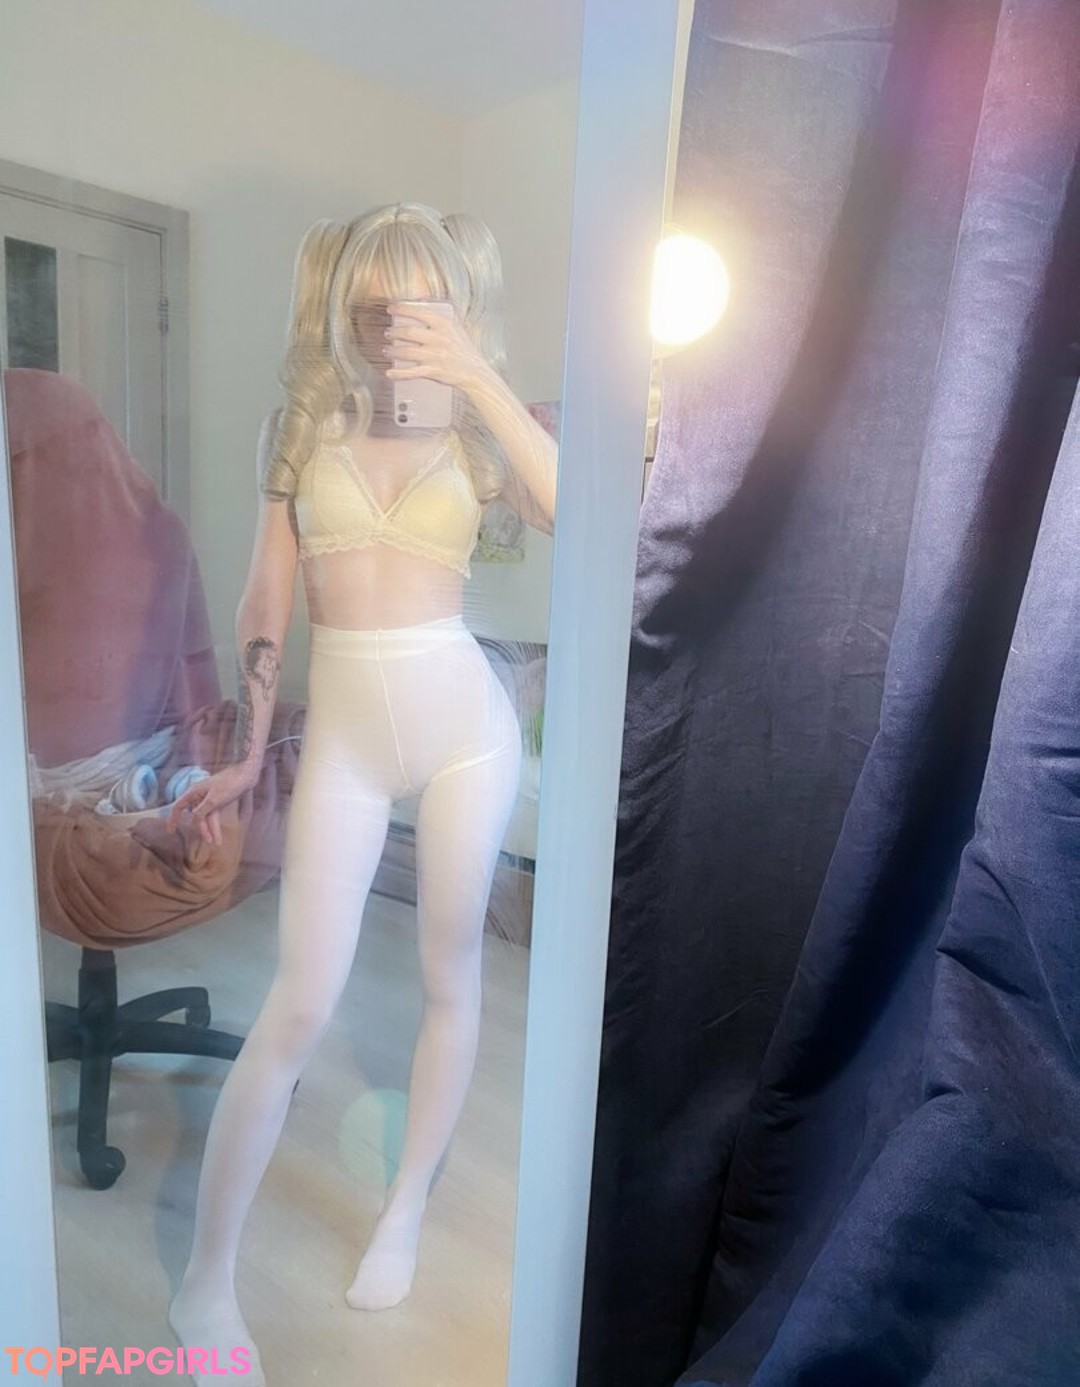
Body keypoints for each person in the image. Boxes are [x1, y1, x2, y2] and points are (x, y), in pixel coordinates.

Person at [166, 203, 557, 1385]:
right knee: (298, 1001)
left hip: (467, 735)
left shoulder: (480, 428)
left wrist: (477, 374)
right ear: (346, 304)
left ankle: (405, 1205)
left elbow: (575, 516)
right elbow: (264, 599)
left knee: (449, 972)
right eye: (377, 299)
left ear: (457, 305)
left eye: (421, 299)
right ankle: (205, 1278)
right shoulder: (305, 424)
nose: (397, 322)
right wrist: (247, 747)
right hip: (342, 742)